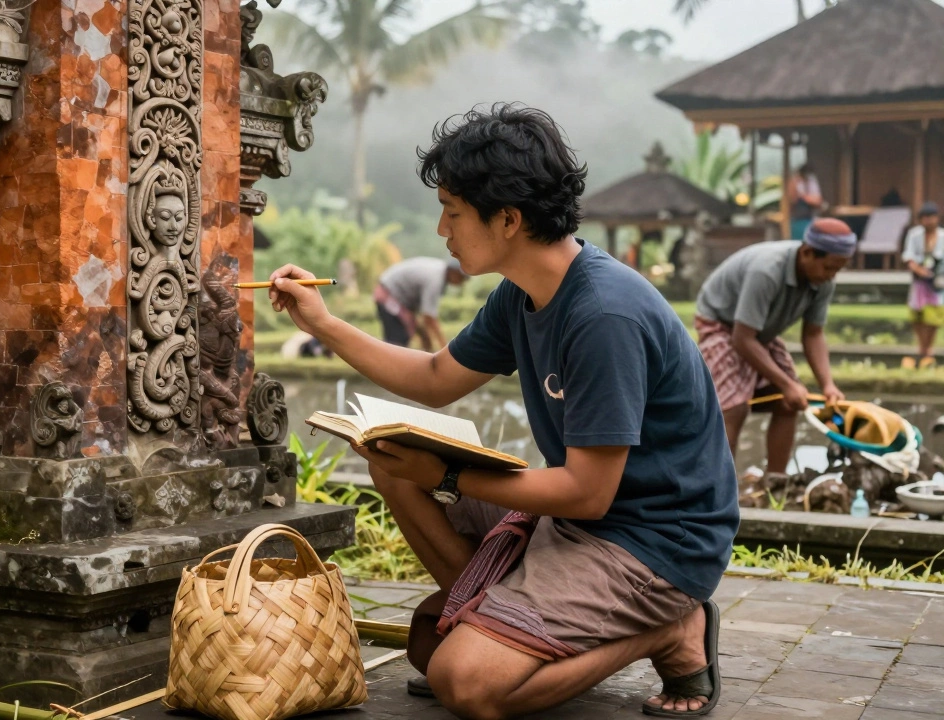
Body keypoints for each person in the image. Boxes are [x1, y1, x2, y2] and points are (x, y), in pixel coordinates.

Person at [268, 104, 737, 718]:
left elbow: (589, 493)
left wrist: (447, 476)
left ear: (508, 219)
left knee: (465, 683)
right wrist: (323, 324)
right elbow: (436, 379)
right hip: (588, 522)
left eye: (453, 212)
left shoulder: (603, 316)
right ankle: (503, 618)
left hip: (653, 542)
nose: (442, 230)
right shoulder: (521, 295)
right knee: (391, 479)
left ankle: (670, 630)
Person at [694, 219, 852, 474]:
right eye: (828, 267)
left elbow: (813, 334)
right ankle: (720, 492)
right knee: (733, 406)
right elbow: (741, 339)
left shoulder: (823, 281)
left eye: (838, 270)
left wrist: (827, 385)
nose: (831, 276)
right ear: (807, 252)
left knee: (789, 402)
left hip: (759, 332)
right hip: (722, 324)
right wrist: (787, 384)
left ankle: (776, 483)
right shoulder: (767, 270)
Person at [374, 256, 468, 350]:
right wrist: (446, 347)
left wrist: (425, 337)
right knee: (398, 339)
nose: (462, 282)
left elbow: (422, 316)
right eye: (462, 278)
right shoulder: (436, 280)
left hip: (399, 301)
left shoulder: (439, 273)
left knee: (408, 334)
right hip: (388, 295)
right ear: (454, 272)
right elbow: (429, 317)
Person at [902, 201, 944, 369]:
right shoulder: (914, 235)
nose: (929, 221)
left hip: (937, 283)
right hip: (919, 282)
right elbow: (908, 256)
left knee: (932, 317)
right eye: (925, 218)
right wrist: (919, 270)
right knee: (918, 315)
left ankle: (929, 351)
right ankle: (922, 349)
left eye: (931, 217)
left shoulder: (942, 237)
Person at [786, 162, 824, 239]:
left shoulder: (812, 182)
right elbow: (792, 199)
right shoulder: (795, 182)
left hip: (810, 217)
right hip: (798, 218)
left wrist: (805, 197)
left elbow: (817, 201)